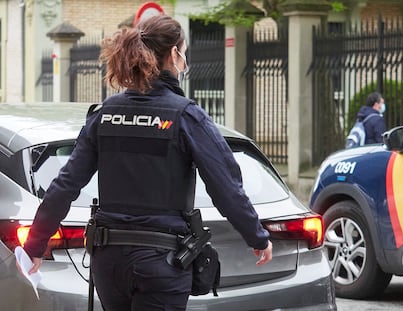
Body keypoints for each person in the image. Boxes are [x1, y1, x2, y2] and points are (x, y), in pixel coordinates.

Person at [20, 14, 273, 311]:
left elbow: (65, 184)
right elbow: (225, 186)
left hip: (108, 263)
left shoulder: (106, 113)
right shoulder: (185, 115)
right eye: (185, 54)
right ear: (175, 55)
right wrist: (256, 236)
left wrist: (35, 244)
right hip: (161, 263)